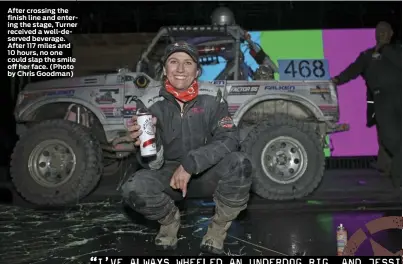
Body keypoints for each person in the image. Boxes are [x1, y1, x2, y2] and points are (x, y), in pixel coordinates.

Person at [120, 41, 253, 254]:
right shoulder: (148, 102)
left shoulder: (212, 97)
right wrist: (151, 143)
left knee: (240, 163)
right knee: (133, 189)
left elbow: (229, 138)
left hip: (206, 172)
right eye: (173, 62)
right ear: (164, 69)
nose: (180, 69)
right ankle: (169, 221)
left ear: (197, 71)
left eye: (187, 63)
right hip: (169, 177)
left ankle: (217, 229)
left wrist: (191, 163)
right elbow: (152, 166)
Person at [331, 21, 401, 187]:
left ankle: (398, 179)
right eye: (378, 31)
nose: (381, 33)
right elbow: (352, 71)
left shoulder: (399, 51)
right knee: (392, 141)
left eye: (385, 31)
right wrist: (336, 80)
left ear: (391, 34)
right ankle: (398, 178)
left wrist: (384, 49)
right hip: (383, 102)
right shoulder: (367, 56)